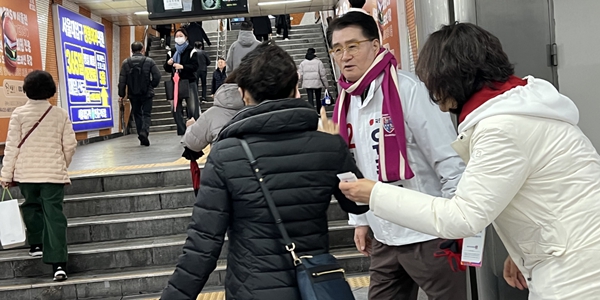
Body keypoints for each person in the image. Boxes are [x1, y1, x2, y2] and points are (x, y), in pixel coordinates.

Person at [338, 22, 600, 300]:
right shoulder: (520, 107)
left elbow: (463, 217)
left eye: (433, 84)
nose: (435, 98)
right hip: (569, 251)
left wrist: (376, 193)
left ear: (452, 77)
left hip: (576, 268)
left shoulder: (501, 127)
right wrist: (521, 253)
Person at [160, 41, 369, 300]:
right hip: (315, 286)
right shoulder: (328, 145)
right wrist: (339, 152)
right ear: (296, 90)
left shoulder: (225, 154)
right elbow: (359, 206)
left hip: (252, 290)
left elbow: (203, 243)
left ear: (244, 94)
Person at [325, 12, 467, 300]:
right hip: (384, 234)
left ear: (375, 46)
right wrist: (360, 221)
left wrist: (457, 227)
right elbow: (355, 166)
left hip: (428, 234)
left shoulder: (407, 90)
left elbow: (449, 159)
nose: (344, 56)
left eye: (353, 46)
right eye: (337, 49)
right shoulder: (345, 101)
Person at [0, 70, 77, 282]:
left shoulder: (18, 114)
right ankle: (59, 264)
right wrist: (62, 164)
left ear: (26, 90)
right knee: (54, 214)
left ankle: (36, 245)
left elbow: (12, 148)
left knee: (31, 205)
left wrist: (6, 174)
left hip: (26, 174)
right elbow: (70, 146)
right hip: (52, 175)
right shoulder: (60, 114)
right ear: (50, 90)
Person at [183, 72, 243, 154]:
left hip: (222, 164)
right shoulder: (261, 111)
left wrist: (191, 126)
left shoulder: (211, 115)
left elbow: (192, 143)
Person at [118, 41, 161, 146]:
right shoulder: (149, 61)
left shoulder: (126, 63)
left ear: (132, 50)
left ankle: (141, 136)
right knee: (146, 114)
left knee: (137, 114)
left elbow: (122, 81)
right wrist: (151, 85)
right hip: (147, 93)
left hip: (133, 93)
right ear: (143, 49)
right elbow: (157, 76)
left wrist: (121, 94)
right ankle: (144, 132)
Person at [164, 28, 200, 136]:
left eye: (181, 36)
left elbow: (195, 66)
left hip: (189, 81)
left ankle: (194, 130)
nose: (178, 38)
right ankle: (182, 130)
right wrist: (168, 63)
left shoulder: (191, 51)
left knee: (192, 107)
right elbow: (166, 68)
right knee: (175, 108)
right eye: (177, 36)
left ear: (186, 37)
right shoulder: (171, 52)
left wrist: (183, 66)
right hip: (176, 82)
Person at [298, 48, 328, 113]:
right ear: (314, 53)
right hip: (317, 83)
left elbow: (300, 75)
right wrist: (326, 85)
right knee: (318, 98)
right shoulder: (318, 62)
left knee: (310, 99)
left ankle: (312, 112)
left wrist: (298, 84)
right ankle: (319, 111)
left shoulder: (303, 63)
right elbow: (323, 74)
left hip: (307, 83)